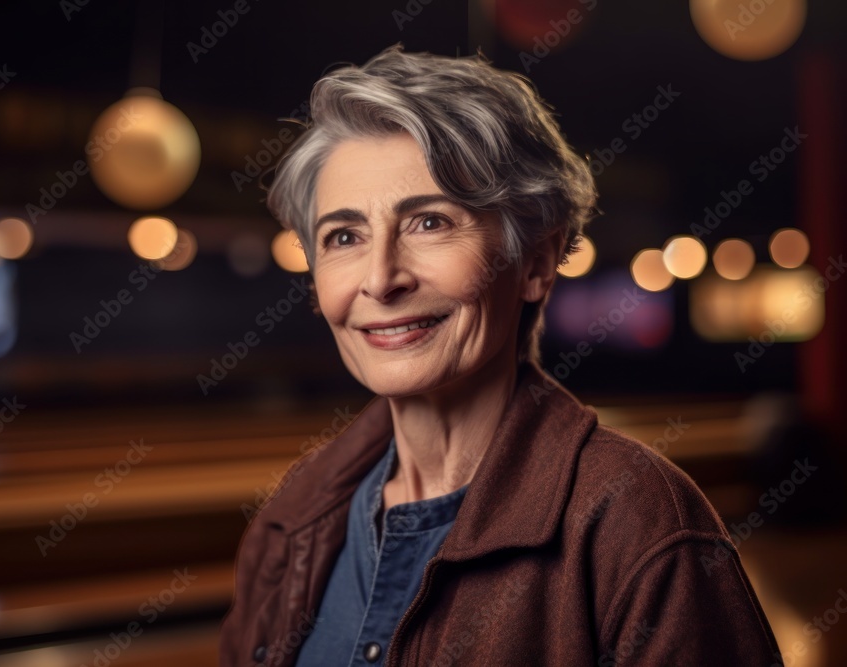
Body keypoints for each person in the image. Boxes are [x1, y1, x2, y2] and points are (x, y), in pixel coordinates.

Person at [219, 45, 781, 666]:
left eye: (429, 223)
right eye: (344, 236)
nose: (379, 280)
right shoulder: (292, 516)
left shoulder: (642, 527)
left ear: (536, 262)